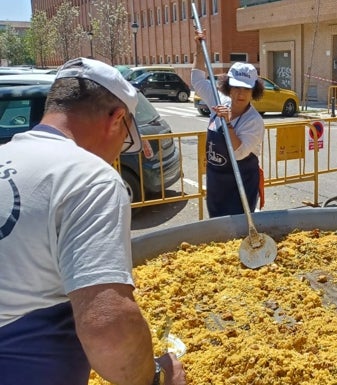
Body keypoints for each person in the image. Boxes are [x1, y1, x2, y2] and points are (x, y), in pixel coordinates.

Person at [0, 57, 186, 385]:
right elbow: (107, 327)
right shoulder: (89, 177)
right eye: (127, 139)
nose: (117, 154)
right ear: (116, 119)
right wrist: (156, 378)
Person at [191, 31, 265, 217]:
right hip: (216, 181)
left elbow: (239, 153)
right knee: (217, 229)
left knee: (238, 228)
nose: (240, 94)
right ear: (228, 87)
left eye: (246, 89)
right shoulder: (219, 101)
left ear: (253, 91)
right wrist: (200, 48)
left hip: (241, 184)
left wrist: (228, 125)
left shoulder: (253, 121)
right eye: (236, 88)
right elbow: (198, 80)